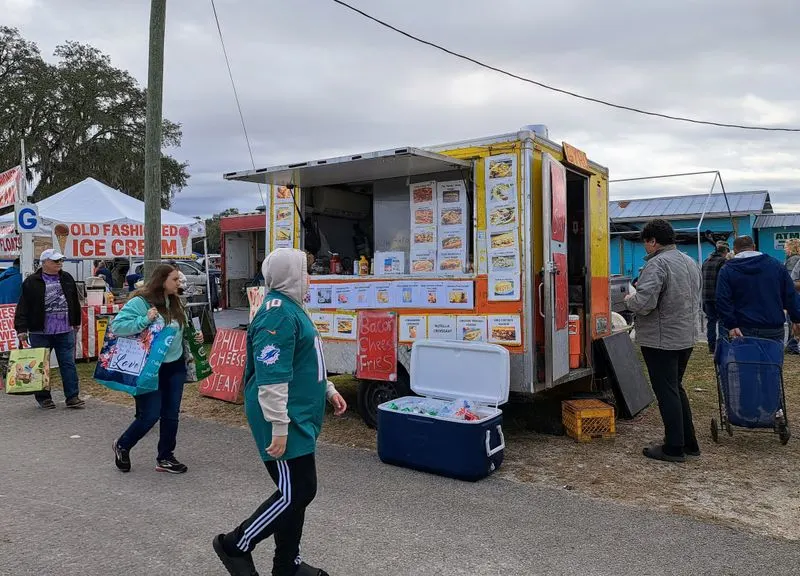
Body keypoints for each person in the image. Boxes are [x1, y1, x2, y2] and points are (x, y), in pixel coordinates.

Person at [213, 248, 347, 576]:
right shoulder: (277, 314)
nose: (309, 278)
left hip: (297, 415)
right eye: (305, 271)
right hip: (282, 416)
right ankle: (235, 545)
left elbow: (303, 359)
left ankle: (287, 565)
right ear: (290, 275)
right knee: (298, 491)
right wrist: (279, 425)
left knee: (295, 494)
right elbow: (271, 375)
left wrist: (328, 389)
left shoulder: (292, 308)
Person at [110, 264, 203, 474]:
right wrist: (145, 319)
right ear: (161, 281)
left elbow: (180, 331)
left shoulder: (176, 302)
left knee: (171, 414)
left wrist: (195, 336)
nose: (179, 283)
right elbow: (117, 327)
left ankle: (165, 457)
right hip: (149, 368)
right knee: (150, 415)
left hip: (175, 366)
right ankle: (123, 444)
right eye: (175, 280)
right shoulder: (140, 302)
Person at [624, 219, 701, 463]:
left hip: (661, 339)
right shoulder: (689, 261)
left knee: (666, 392)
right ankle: (689, 443)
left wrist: (629, 300)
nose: (645, 247)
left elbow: (645, 303)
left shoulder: (657, 264)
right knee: (675, 387)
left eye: (646, 243)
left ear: (653, 241)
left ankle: (674, 447)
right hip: (685, 336)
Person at [14, 249, 83, 409]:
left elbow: (74, 300)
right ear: (45, 263)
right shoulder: (31, 281)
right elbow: (23, 306)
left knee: (68, 364)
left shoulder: (67, 278)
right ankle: (44, 398)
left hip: (65, 330)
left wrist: (76, 321)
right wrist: (21, 329)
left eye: (60, 261)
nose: (59, 263)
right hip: (40, 331)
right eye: (55, 261)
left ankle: (72, 396)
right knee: (40, 365)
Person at [716, 235, 800, 343]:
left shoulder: (727, 270)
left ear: (735, 250)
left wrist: (731, 325)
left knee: (745, 354)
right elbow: (790, 294)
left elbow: (722, 299)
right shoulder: (775, 265)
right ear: (754, 247)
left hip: (743, 328)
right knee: (773, 354)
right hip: (772, 326)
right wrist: (796, 318)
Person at [701, 242, 729, 354]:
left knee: (711, 322)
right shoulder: (723, 262)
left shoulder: (706, 261)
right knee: (722, 322)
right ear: (725, 252)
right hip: (719, 297)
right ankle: (722, 347)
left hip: (706, 296)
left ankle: (711, 347)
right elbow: (725, 280)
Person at [783, 239, 800, 354]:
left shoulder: (793, 260)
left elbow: (790, 279)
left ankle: (792, 344)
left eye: (786, 247)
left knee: (793, 320)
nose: (785, 249)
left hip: (795, 295)